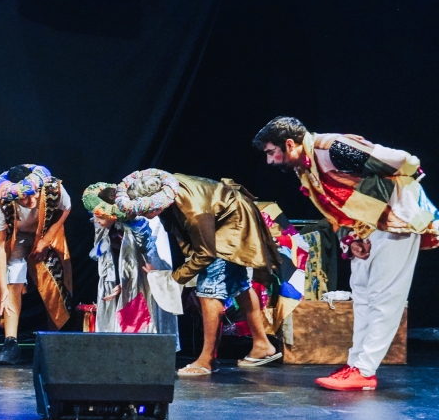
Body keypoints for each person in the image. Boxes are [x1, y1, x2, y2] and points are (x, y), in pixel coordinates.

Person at [253, 116, 437, 390]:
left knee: (384, 297)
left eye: (271, 152)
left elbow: (403, 160)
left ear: (289, 144)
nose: (270, 160)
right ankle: (356, 365)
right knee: (361, 295)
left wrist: (396, 189)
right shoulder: (306, 168)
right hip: (366, 227)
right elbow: (335, 207)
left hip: (396, 219)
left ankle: (365, 370)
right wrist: (350, 238)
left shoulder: (333, 148)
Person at [114, 169, 280, 376]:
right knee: (239, 284)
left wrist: (173, 278)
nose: (140, 214)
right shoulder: (166, 189)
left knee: (208, 289)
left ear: (157, 205)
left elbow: (206, 254)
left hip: (230, 222)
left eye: (144, 210)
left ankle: (206, 360)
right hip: (221, 215)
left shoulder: (194, 212)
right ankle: (262, 345)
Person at [0, 164, 73, 366]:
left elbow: (66, 208)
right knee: (11, 284)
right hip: (16, 238)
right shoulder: (0, 201)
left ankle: (55, 341)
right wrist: (4, 288)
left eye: (34, 194)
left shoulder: (53, 188)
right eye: (24, 198)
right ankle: (10, 343)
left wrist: (46, 240)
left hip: (46, 234)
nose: (32, 200)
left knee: (55, 283)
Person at [83, 183, 180, 347]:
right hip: (126, 276)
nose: (96, 220)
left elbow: (147, 255)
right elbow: (114, 256)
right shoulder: (107, 227)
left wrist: (132, 280)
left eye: (99, 216)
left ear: (113, 214)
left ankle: (147, 348)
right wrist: (118, 283)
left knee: (139, 314)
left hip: (143, 276)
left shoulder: (139, 223)